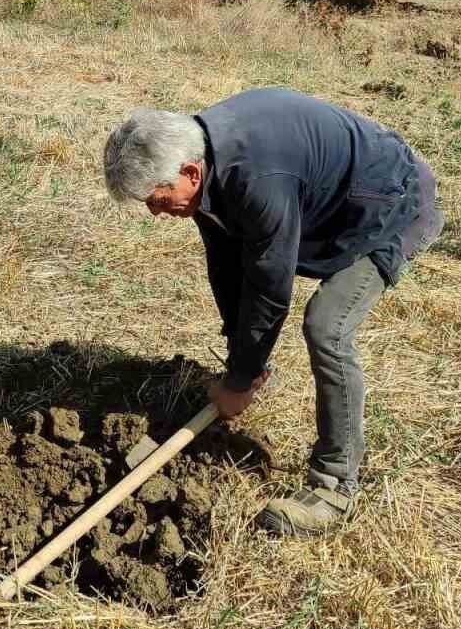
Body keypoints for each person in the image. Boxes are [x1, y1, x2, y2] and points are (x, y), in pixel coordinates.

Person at [102, 87, 443, 537]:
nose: (155, 213)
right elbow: (227, 263)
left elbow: (269, 285)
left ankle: (334, 487)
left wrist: (240, 381)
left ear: (189, 172)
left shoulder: (256, 177)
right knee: (254, 288)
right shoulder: (203, 156)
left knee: (327, 326)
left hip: (395, 204)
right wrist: (242, 364)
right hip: (336, 202)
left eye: (158, 200)